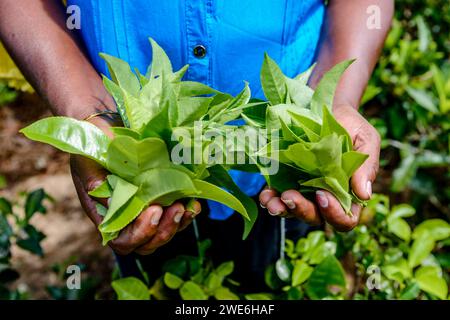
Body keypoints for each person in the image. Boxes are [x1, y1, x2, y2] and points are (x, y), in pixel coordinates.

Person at [0, 0, 392, 290]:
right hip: (135, 156)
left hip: (282, 164)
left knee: (272, 280)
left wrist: (336, 101)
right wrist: (86, 111)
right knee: (156, 278)